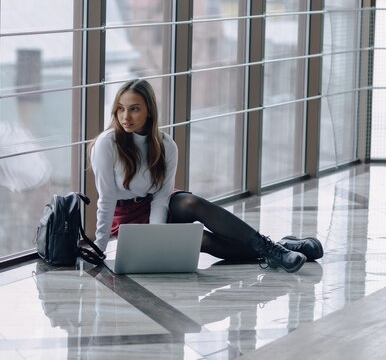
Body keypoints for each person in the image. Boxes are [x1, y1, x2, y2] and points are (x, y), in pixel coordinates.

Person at [89, 78, 323, 273]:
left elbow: (161, 198)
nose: (125, 116)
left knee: (191, 202)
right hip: (126, 218)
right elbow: (107, 199)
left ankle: (274, 250)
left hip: (156, 207)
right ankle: (280, 248)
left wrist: (157, 234)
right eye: (120, 108)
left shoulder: (166, 145)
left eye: (134, 108)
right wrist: (99, 247)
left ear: (149, 111)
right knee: (200, 241)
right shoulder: (106, 144)